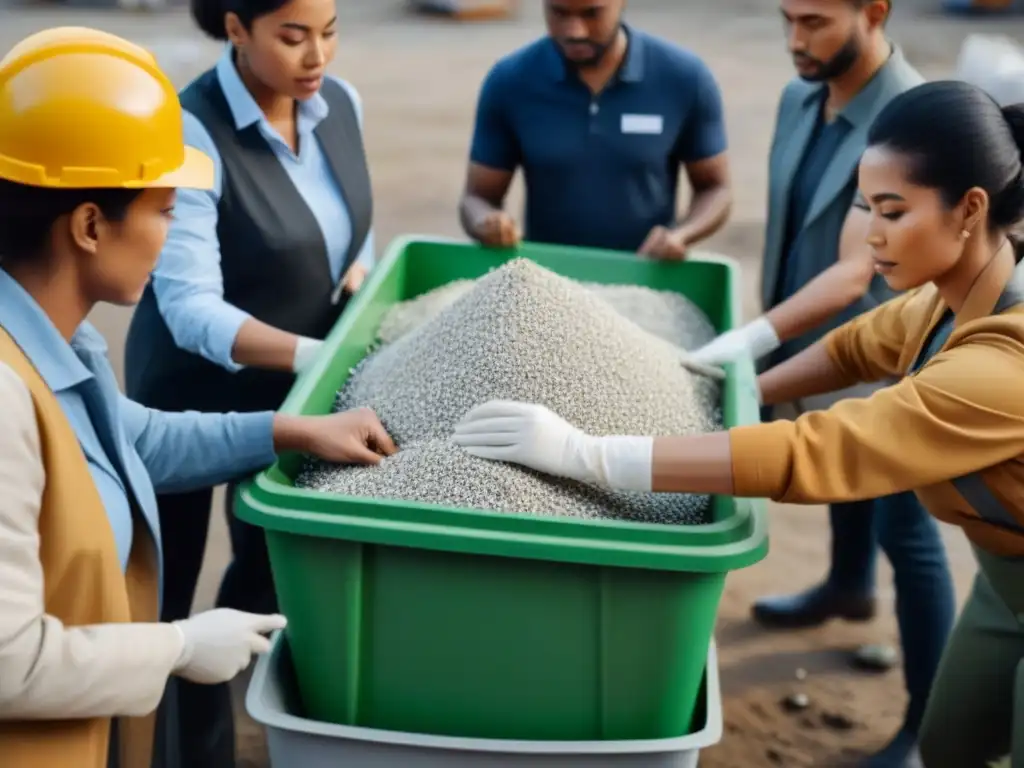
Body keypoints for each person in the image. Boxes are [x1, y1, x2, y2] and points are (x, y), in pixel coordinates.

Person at [453, 79, 1024, 768]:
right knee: (952, 746)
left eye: (893, 211)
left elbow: (824, 450)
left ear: (969, 209)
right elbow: (857, 344)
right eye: (865, 205)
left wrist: (591, 455)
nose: (869, 233)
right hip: (1004, 579)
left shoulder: (1004, 362)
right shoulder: (950, 298)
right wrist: (735, 379)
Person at [0, 26, 397, 768]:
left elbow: (134, 439)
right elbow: (9, 662)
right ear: (89, 224)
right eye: (163, 210)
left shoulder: (56, 342)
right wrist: (180, 645)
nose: (174, 231)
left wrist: (293, 431)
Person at [689, 3, 955, 761]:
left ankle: (923, 726)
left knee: (905, 528)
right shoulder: (798, 93)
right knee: (844, 482)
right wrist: (774, 329)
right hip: (811, 340)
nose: (795, 40)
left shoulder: (912, 120)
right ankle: (845, 588)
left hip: (890, 352)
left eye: (814, 22)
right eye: (786, 19)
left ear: (874, 11)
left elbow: (852, 270)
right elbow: (797, 221)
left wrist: (752, 338)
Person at [122, 0, 377, 763]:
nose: (317, 57)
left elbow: (355, 225)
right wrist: (316, 357)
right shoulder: (189, 130)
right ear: (235, 27)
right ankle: (152, 749)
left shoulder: (341, 105)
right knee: (162, 601)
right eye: (293, 36)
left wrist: (355, 271)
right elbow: (192, 308)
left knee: (265, 576)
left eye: (329, 32)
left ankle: (219, 742)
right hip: (182, 390)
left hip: (290, 390)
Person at [458, 0, 731, 258]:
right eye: (558, 12)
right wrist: (486, 221)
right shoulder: (510, 82)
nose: (574, 31)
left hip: (646, 281)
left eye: (592, 13)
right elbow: (478, 197)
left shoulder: (683, 78)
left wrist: (682, 234)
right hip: (546, 283)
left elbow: (715, 188)